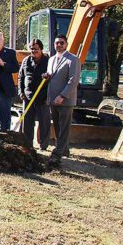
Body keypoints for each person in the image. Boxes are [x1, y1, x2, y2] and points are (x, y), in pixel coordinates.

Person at [43, 34, 81, 167]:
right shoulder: (51, 59)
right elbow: (52, 75)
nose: (58, 45)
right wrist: (47, 76)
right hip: (52, 98)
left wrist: (63, 96)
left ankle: (58, 152)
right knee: (58, 126)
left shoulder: (73, 59)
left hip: (65, 99)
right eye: (56, 43)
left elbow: (73, 80)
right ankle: (64, 149)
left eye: (61, 43)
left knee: (64, 126)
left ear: (66, 44)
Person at [18, 39, 50, 150]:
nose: (33, 50)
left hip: (43, 98)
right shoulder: (26, 61)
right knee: (27, 123)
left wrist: (48, 97)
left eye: (36, 49)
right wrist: (21, 92)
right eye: (31, 48)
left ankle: (44, 145)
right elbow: (21, 77)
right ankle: (28, 145)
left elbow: (51, 80)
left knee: (44, 123)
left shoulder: (48, 61)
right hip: (28, 97)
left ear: (41, 49)